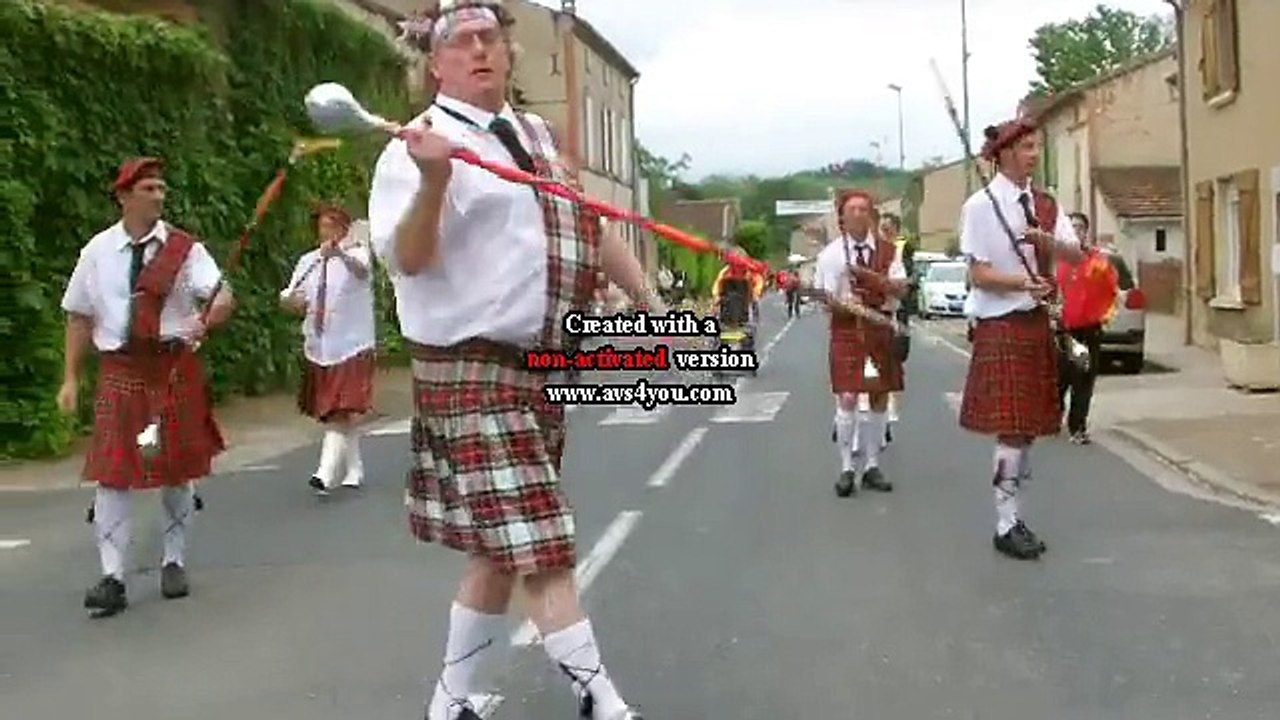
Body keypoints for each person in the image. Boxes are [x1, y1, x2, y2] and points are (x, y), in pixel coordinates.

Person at [370, 3, 652, 718]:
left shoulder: (530, 136)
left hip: (540, 369)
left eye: (490, 37)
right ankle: (602, 702)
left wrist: (649, 305)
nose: (479, 49)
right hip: (468, 368)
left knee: (500, 551)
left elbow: (586, 221)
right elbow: (407, 258)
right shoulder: (415, 145)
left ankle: (450, 702)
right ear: (436, 64)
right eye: (461, 42)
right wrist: (433, 180)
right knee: (541, 545)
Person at [58, 156, 234, 617]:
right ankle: (112, 576)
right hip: (119, 369)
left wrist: (206, 318)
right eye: (149, 189)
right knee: (112, 472)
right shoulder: (96, 252)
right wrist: (70, 378)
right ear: (123, 196)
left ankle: (173, 560)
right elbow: (79, 316)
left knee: (174, 469)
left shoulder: (184, 249)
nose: (158, 195)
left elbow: (222, 296)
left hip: (171, 367)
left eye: (161, 188)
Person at [957, 118, 1082, 561]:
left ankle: (1016, 515)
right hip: (1002, 323)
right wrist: (1021, 284)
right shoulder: (980, 206)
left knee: (1027, 430)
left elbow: (1075, 253)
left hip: (1037, 326)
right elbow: (977, 273)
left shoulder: (1046, 204)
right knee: (1012, 430)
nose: (1034, 154)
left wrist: (1044, 239)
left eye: (1036, 146)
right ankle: (1005, 523)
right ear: (1005, 153)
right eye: (1027, 147)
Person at [814, 189, 908, 497]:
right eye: (852, 209)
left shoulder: (888, 251)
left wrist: (871, 279)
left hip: (879, 332)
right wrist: (845, 304)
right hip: (847, 332)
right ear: (841, 216)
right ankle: (845, 468)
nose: (858, 214)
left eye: (864, 209)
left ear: (871, 215)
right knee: (848, 397)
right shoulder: (830, 255)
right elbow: (824, 300)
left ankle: (871, 465)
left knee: (878, 396)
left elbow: (901, 288)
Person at [280, 202, 376, 495]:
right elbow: (291, 296)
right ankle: (354, 468)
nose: (328, 231)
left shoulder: (357, 254)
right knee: (339, 413)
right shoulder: (308, 261)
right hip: (320, 345)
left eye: (334, 225)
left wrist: (341, 254)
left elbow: (361, 271)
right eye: (323, 226)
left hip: (352, 344)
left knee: (338, 409)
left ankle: (324, 473)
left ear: (345, 229)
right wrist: (290, 301)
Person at [1055, 212, 1117, 445]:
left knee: (1083, 379)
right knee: (1059, 378)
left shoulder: (1097, 261)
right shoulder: (1058, 260)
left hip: (1088, 330)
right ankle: (1054, 417)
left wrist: (1104, 315)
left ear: (1085, 232)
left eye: (1079, 227)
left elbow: (1111, 291)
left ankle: (1078, 426)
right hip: (1062, 330)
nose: (1075, 232)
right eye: (1070, 228)